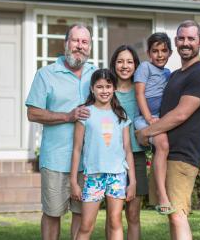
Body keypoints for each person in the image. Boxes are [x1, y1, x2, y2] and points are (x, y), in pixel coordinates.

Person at [136, 20, 200, 240]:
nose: (186, 43)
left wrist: (145, 133)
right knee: (173, 215)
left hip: (183, 154)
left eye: (191, 38)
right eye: (181, 38)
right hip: (168, 153)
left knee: (178, 214)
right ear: (176, 42)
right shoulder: (175, 74)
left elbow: (181, 114)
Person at [26, 24, 96, 240]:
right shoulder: (46, 74)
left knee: (80, 213)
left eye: (85, 42)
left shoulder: (96, 75)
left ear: (90, 47)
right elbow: (33, 113)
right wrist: (67, 116)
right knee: (52, 213)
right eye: (76, 41)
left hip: (88, 160)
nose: (80, 46)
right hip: (56, 159)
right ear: (66, 43)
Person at [70, 69, 136, 240]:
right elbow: (77, 149)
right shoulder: (85, 113)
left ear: (114, 88)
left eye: (108, 86)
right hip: (93, 176)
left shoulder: (121, 115)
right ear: (92, 88)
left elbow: (127, 150)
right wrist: (73, 182)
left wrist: (132, 181)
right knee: (86, 225)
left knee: (115, 222)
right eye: (99, 87)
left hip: (117, 175)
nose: (104, 90)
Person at [110, 45, 148, 239]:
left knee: (133, 214)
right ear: (114, 64)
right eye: (120, 61)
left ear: (136, 65)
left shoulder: (141, 91)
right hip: (111, 158)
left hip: (137, 155)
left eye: (129, 62)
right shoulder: (107, 91)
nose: (125, 66)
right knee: (113, 216)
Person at [134, 33, 173, 215]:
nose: (159, 55)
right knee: (163, 144)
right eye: (155, 51)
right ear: (149, 53)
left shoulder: (168, 73)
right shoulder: (144, 67)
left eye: (164, 51)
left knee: (163, 147)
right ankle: (161, 193)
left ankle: (161, 189)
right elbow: (140, 94)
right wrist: (149, 118)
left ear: (170, 53)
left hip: (160, 116)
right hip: (144, 117)